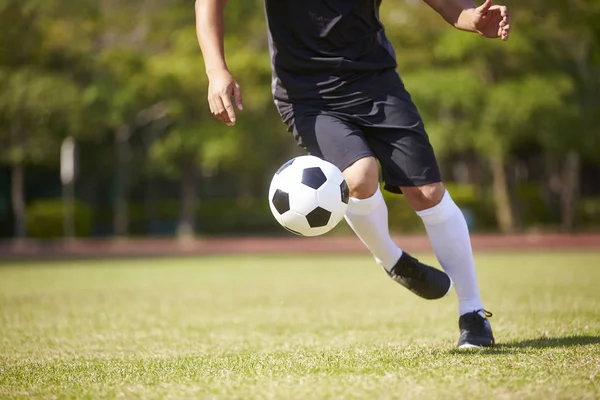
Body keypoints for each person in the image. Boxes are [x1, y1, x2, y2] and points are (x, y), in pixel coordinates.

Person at [195, 0, 511, 349]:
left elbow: (447, 5)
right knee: (360, 177)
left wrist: (469, 17)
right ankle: (391, 259)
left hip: (377, 84)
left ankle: (473, 313)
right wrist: (215, 70)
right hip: (307, 96)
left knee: (427, 193)